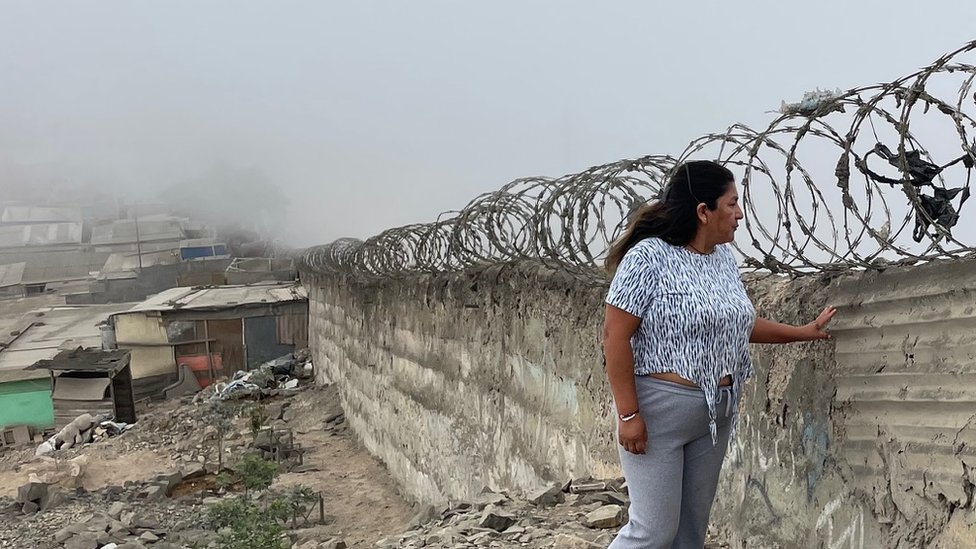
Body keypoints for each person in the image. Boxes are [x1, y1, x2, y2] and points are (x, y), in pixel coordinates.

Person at [603, 160, 836, 549]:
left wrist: (802, 333)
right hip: (660, 412)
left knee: (690, 532)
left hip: (717, 411)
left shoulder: (723, 259)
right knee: (652, 531)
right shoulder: (648, 258)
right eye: (731, 203)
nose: (740, 213)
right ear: (703, 211)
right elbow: (614, 336)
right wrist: (629, 415)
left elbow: (737, 322)